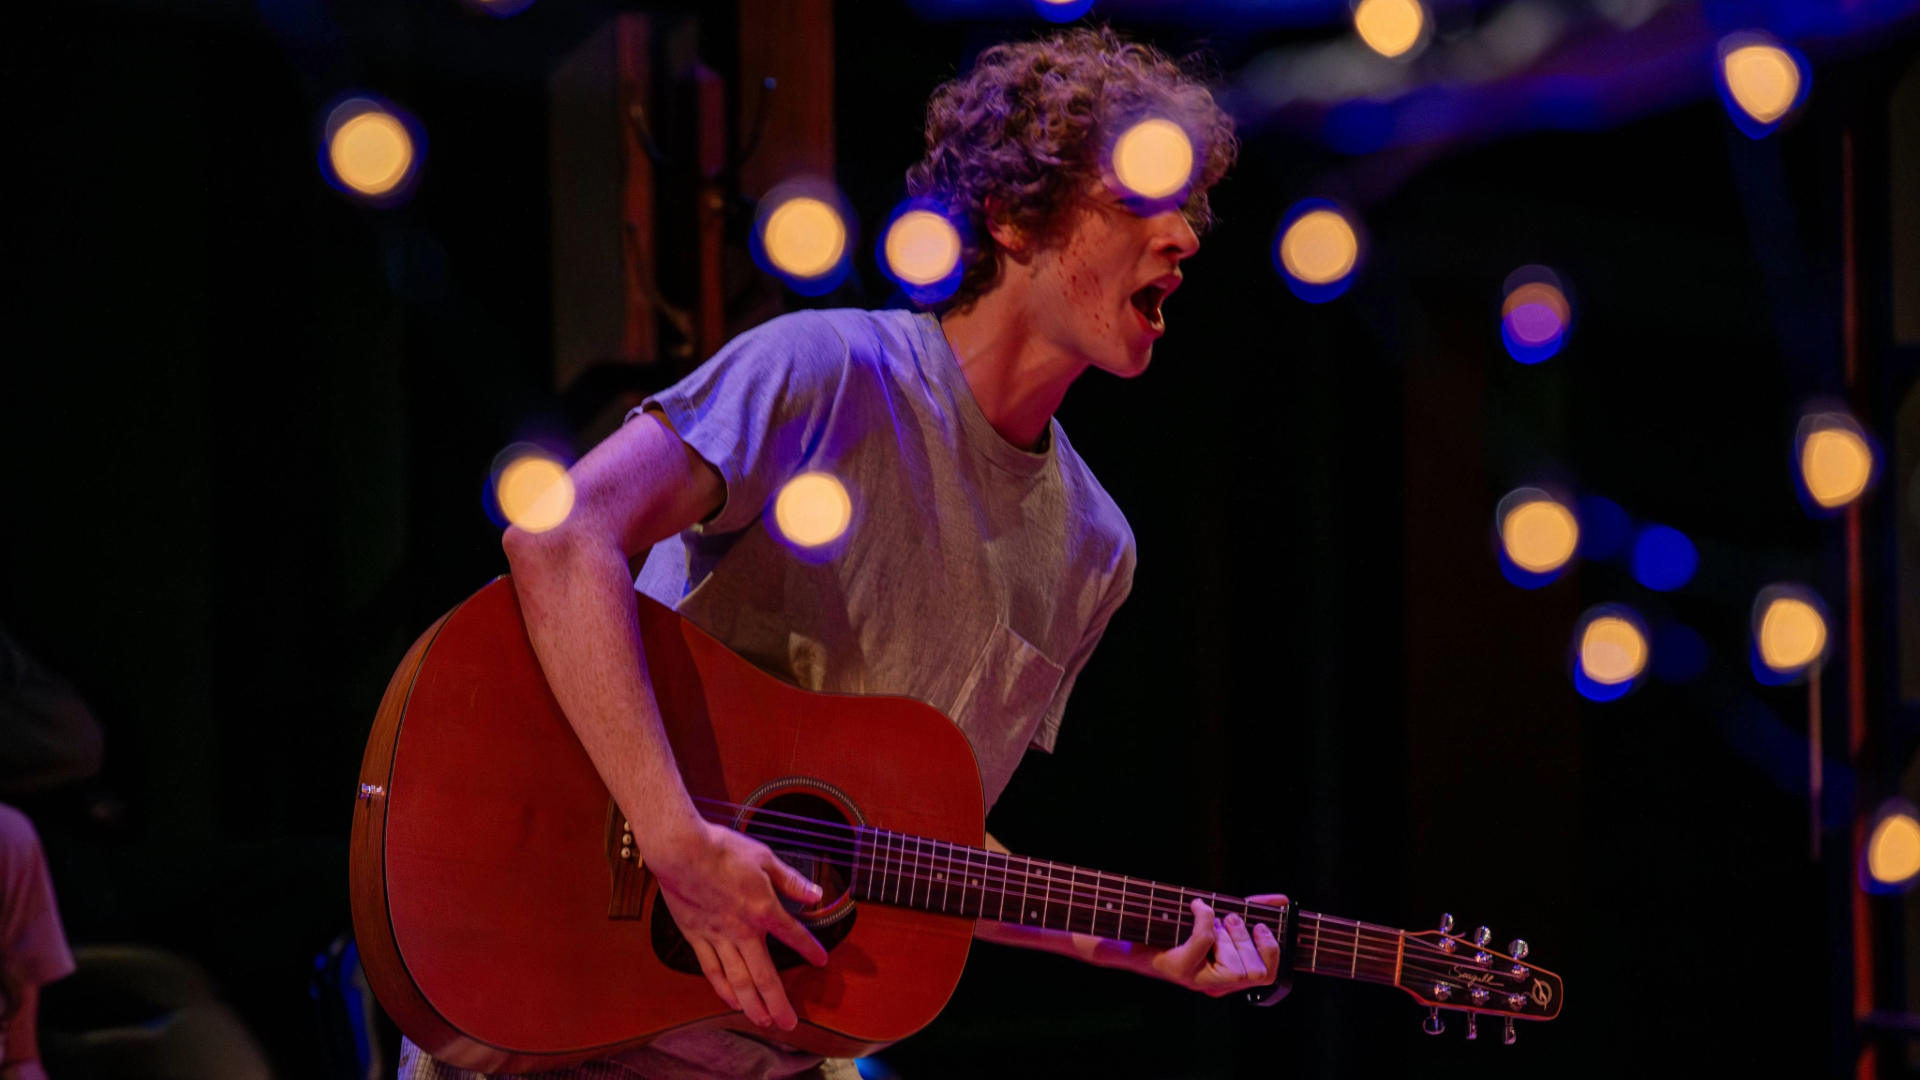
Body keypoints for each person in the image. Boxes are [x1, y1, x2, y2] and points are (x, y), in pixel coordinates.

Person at [401, 26, 1283, 1080]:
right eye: (1142, 198)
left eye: (1189, 207)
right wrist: (676, 842)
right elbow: (557, 533)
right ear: (1011, 215)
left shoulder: (1096, 549)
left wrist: (1128, 941)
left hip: (764, 1047)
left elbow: (916, 852)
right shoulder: (827, 373)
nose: (1185, 236)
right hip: (565, 1003)